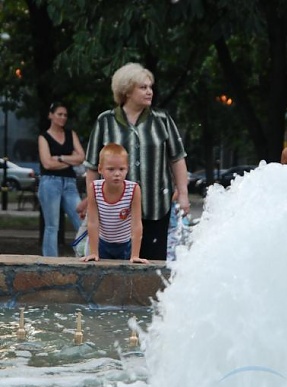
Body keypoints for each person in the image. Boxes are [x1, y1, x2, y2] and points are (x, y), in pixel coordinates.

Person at [83, 62, 190, 260]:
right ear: (126, 91)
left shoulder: (162, 119)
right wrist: (91, 201)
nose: (150, 91)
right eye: (143, 87)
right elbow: (91, 166)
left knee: (153, 265)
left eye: (150, 87)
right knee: (113, 268)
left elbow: (177, 158)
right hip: (114, 213)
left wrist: (183, 193)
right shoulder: (105, 121)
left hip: (155, 205)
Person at [82, 143, 148, 263]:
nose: (117, 174)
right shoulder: (94, 188)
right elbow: (92, 222)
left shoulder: (133, 189)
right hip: (102, 243)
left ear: (127, 168)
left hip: (125, 245)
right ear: (100, 169)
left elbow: (136, 224)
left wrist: (135, 255)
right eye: (111, 169)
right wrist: (93, 252)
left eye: (121, 169)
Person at [38, 102, 85, 256]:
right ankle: (50, 261)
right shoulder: (44, 137)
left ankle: (85, 254)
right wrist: (70, 159)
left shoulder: (71, 134)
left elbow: (81, 158)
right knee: (52, 226)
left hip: (70, 183)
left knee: (82, 220)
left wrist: (59, 158)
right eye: (59, 114)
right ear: (50, 115)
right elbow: (47, 163)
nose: (63, 117)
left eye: (65, 115)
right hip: (49, 182)